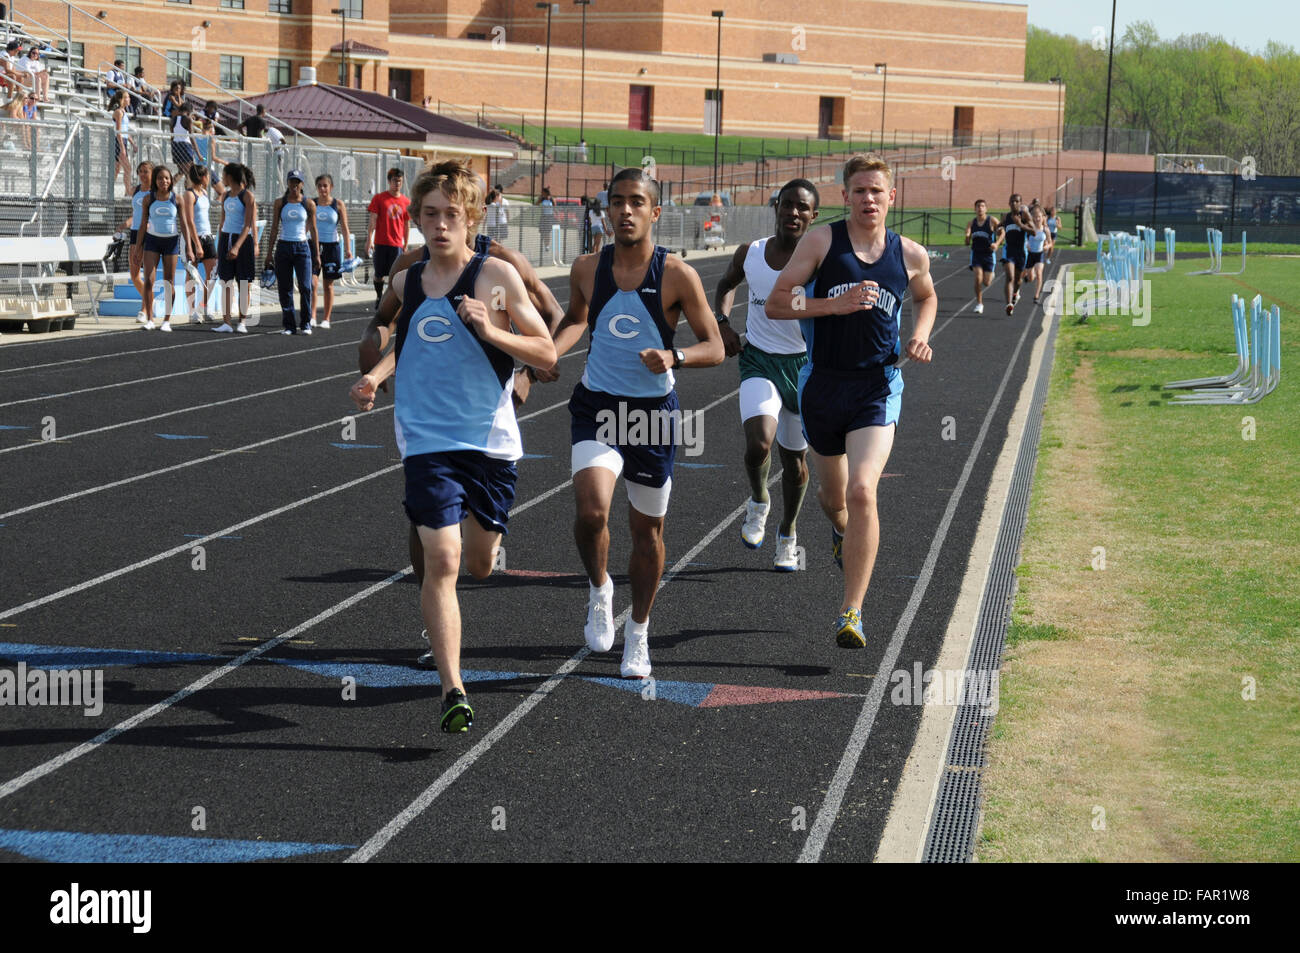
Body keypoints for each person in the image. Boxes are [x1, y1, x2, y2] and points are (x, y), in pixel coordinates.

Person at [347, 160, 556, 733]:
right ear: (416, 219)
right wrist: (376, 373)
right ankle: (453, 688)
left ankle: (461, 593)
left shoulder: (496, 278)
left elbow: (547, 354)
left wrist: (491, 330)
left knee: (481, 564)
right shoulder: (405, 280)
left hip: (488, 443)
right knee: (442, 560)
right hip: (425, 438)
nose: (440, 226)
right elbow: (400, 333)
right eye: (430, 215)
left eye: (452, 216)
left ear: (472, 220)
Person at [539, 167, 724, 678]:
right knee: (593, 510)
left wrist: (676, 358)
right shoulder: (585, 267)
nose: (625, 211)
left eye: (636, 202)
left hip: (651, 417)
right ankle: (600, 589)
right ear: (605, 209)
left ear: (655, 212)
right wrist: (549, 355)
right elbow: (576, 319)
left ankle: (638, 633)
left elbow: (716, 345)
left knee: (647, 531)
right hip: (597, 406)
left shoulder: (676, 274)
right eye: (616, 201)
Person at [765, 153, 936, 647]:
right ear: (845, 196)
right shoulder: (823, 242)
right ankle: (841, 534)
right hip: (822, 386)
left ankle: (851, 611)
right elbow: (779, 302)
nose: (868, 199)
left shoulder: (910, 255)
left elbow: (926, 296)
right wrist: (830, 305)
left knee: (863, 491)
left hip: (877, 388)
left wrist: (920, 335)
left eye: (876, 192)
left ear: (892, 198)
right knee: (833, 499)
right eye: (859, 191)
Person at [712, 178, 819, 570]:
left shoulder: (819, 260)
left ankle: (787, 535)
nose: (793, 212)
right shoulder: (751, 253)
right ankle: (759, 500)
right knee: (759, 444)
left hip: (805, 368)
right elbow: (725, 284)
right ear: (777, 207)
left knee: (795, 464)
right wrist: (723, 324)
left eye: (802, 207)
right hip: (759, 359)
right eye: (787, 204)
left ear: (813, 216)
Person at [262, 169, 319, 335]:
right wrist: (269, 253)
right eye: (292, 181)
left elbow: (314, 229)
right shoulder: (280, 203)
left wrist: (316, 254)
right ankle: (289, 325)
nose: (294, 185)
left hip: (302, 247)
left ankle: (306, 323)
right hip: (284, 246)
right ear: (287, 183)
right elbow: (274, 228)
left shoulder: (308, 204)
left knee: (305, 286)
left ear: (302, 184)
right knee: (285, 287)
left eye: (297, 182)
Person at [134, 164, 182, 332]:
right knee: (149, 280)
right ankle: (150, 319)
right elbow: (142, 225)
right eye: (160, 178)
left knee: (169, 282)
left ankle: (167, 320)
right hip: (152, 242)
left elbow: (186, 225)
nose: (164, 181)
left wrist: (189, 247)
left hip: (171, 242)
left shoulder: (177, 199)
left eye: (167, 178)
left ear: (171, 181)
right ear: (156, 180)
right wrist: (138, 248)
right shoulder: (149, 199)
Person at [213, 162, 257, 333]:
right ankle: (226, 322)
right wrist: (220, 246)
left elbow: (247, 225)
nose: (222, 179)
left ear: (230, 177)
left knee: (244, 282)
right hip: (226, 238)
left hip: (242, 241)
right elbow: (222, 223)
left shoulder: (247, 196)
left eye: (223, 175)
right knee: (225, 282)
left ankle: (242, 322)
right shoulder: (224, 196)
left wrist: (237, 246)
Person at [365, 166, 410, 309]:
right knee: (379, 274)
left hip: (396, 244)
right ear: (389, 181)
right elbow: (373, 219)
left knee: (395, 275)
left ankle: (390, 301)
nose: (397, 184)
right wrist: (369, 240)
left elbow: (406, 224)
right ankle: (379, 296)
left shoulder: (406, 202)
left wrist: (406, 243)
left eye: (400, 181)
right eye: (395, 181)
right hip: (381, 242)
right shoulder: (379, 198)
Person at [180, 164, 220, 323]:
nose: (209, 179)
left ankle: (203, 305)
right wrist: (196, 244)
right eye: (208, 176)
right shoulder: (189, 195)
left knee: (213, 272)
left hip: (207, 236)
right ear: (203, 177)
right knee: (192, 274)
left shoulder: (203, 193)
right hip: (192, 238)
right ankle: (192, 311)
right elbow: (189, 220)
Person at [312, 173, 351, 330]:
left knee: (328, 284)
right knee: (312, 282)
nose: (322, 189)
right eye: (320, 186)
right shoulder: (312, 204)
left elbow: (345, 230)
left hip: (332, 246)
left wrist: (348, 250)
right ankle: (312, 316)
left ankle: (326, 318)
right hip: (314, 246)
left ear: (331, 187)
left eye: (325, 185)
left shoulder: (338, 204)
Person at [121, 160, 154, 310]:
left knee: (147, 274)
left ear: (153, 173)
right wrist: (124, 225)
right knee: (134, 275)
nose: (142, 174)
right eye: (140, 171)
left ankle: (145, 308)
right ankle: (149, 301)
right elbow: (136, 214)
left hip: (150, 233)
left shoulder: (155, 193)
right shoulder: (136, 191)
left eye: (145, 171)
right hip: (135, 232)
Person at [963, 198, 999, 315]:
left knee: (987, 283)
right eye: (978, 206)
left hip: (989, 255)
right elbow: (967, 242)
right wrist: (967, 236)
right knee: (977, 278)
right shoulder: (971, 223)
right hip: (976, 254)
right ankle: (979, 303)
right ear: (975, 209)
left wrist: (997, 243)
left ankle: (991, 275)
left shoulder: (992, 221)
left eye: (982, 206)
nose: (980, 208)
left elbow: (1002, 232)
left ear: (986, 209)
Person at [997, 192, 1029, 315]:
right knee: (1010, 277)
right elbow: (998, 227)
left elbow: (1034, 232)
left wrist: (1020, 224)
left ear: (1020, 203)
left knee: (1018, 280)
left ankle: (1016, 292)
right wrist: (998, 229)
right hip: (1008, 250)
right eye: (1012, 201)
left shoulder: (1024, 215)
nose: (1014, 203)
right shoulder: (1006, 217)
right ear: (1009, 203)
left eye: (1017, 201)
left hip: (1021, 251)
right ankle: (1009, 304)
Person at [1023, 206, 1052, 305]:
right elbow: (1025, 239)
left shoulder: (1046, 230)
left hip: (1040, 255)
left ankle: (1036, 296)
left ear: (1043, 217)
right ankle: (1028, 276)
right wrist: (1027, 244)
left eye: (1039, 217)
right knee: (1031, 278)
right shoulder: (1030, 228)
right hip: (1031, 255)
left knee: (1039, 273)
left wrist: (1047, 246)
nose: (1037, 219)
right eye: (1035, 217)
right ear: (1033, 218)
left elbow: (1050, 243)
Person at [110, 90, 132, 198]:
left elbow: (125, 131)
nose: (129, 99)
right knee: (128, 168)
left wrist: (132, 143)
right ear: (121, 99)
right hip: (119, 142)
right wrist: (122, 148)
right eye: (127, 97)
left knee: (117, 169)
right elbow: (118, 131)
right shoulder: (119, 112)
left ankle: (109, 189)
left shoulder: (124, 111)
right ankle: (128, 192)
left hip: (124, 140)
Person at [170, 101, 195, 178]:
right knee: (189, 173)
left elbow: (172, 136)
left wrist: (173, 147)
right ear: (189, 111)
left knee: (181, 172)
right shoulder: (188, 119)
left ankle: (169, 188)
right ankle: (189, 189)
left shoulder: (173, 119)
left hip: (175, 146)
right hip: (185, 146)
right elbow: (191, 136)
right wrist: (198, 152)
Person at [538, 186, 555, 260]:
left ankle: (547, 245)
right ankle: (543, 244)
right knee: (543, 232)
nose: (542, 193)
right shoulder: (542, 199)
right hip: (543, 216)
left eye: (542, 192)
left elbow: (555, 206)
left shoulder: (551, 199)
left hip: (549, 217)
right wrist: (541, 197)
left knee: (548, 232)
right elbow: (536, 204)